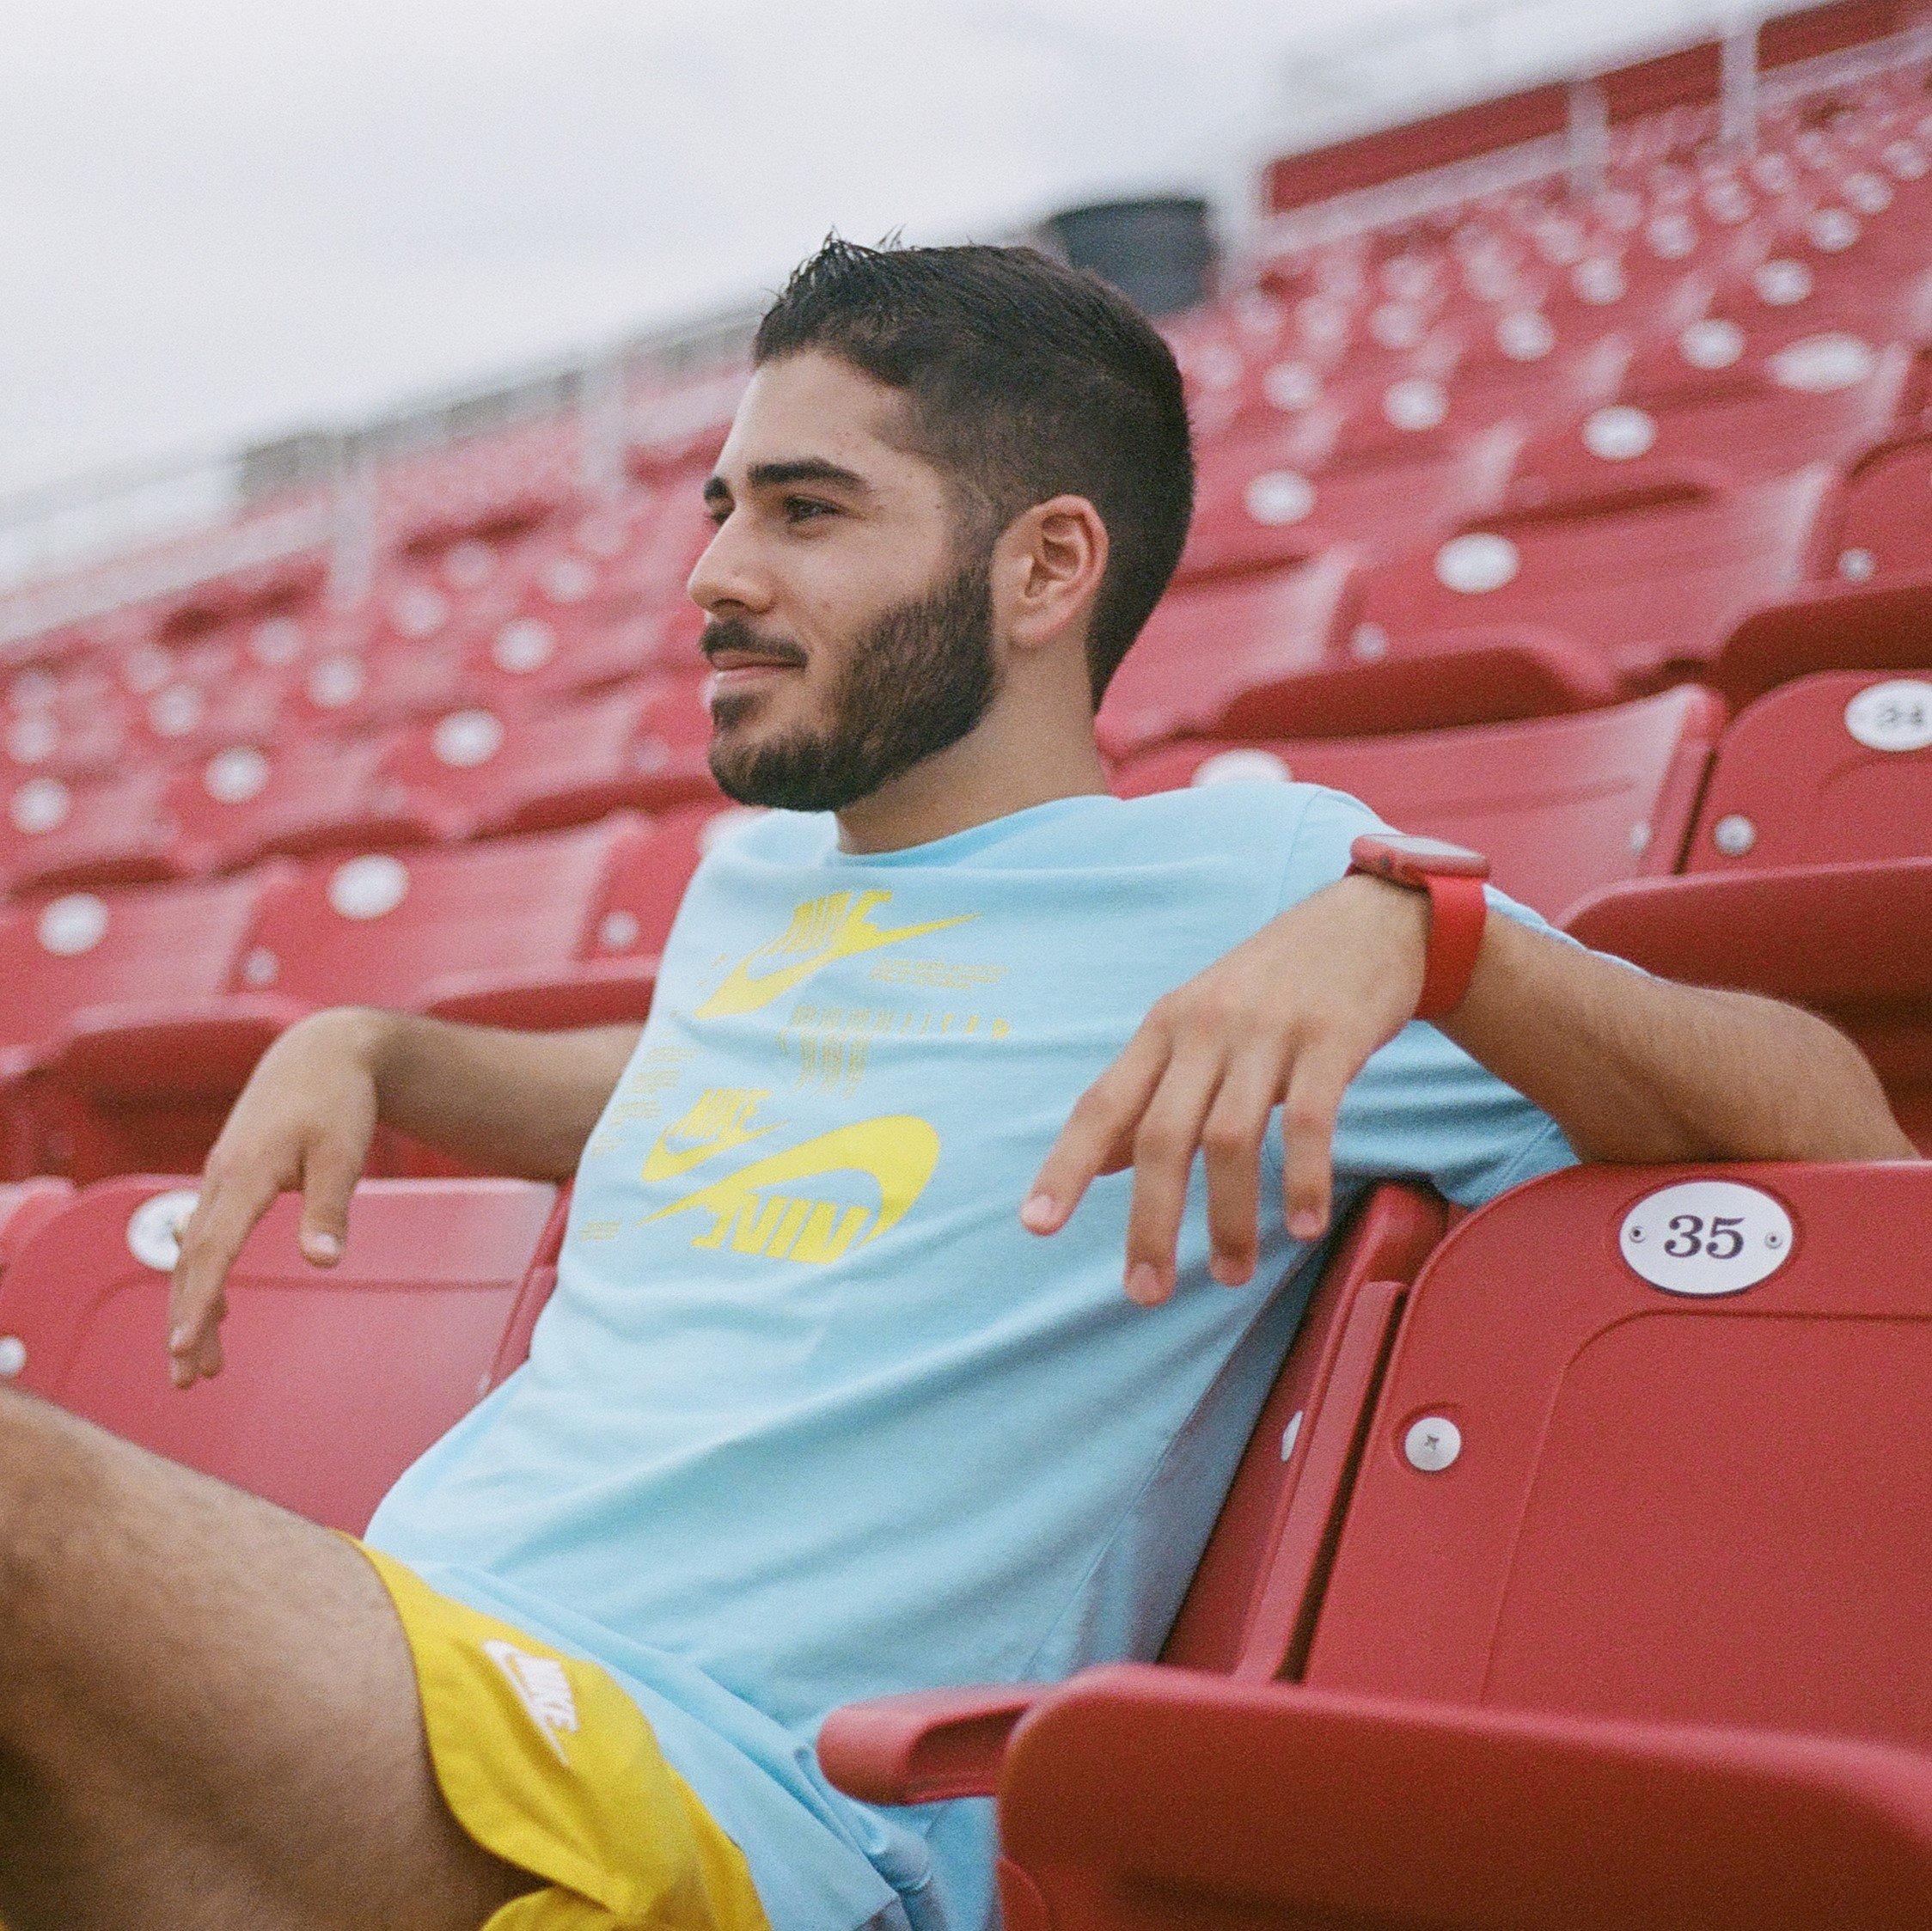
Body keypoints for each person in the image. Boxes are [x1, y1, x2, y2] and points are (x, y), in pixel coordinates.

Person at [0, 237, 1912, 1931]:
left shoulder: (1262, 889)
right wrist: (379, 1044)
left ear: (1042, 568)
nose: (713, 575)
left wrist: (1437, 934)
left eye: (806, 512)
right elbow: (690, 1096)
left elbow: (1836, 1130)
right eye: (720, 503)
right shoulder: (760, 873)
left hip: (746, 1802)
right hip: (426, 1663)